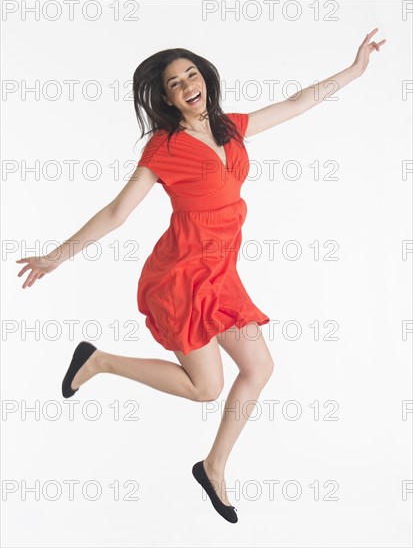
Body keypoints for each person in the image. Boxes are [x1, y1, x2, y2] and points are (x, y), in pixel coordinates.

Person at [15, 29, 386, 523]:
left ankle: (213, 466)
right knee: (206, 388)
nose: (188, 84)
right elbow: (117, 212)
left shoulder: (230, 127)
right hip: (183, 276)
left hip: (221, 273)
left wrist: (355, 70)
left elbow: (297, 103)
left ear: (204, 78)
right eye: (174, 82)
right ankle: (99, 361)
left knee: (259, 369)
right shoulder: (164, 148)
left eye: (192, 73)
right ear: (166, 98)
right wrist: (57, 256)